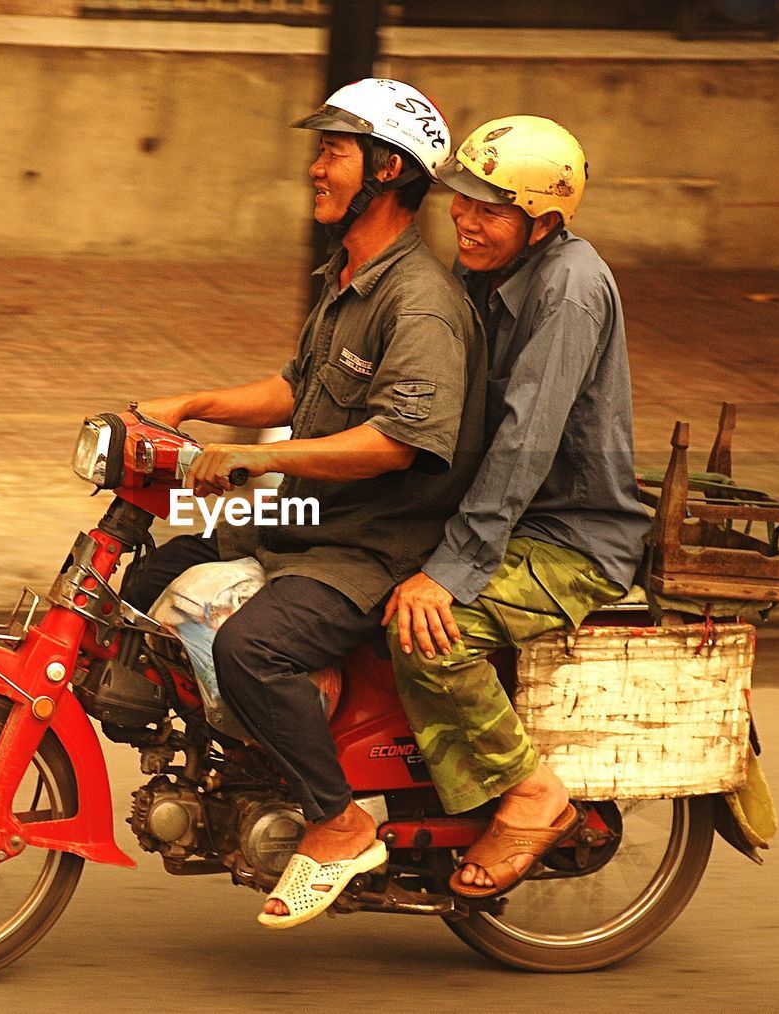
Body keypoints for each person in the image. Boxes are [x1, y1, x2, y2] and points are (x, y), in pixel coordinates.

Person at [121, 79, 487, 928]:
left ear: (386, 170)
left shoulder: (420, 301)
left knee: (253, 646)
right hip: (311, 520)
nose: (315, 168)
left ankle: (337, 820)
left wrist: (256, 461)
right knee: (167, 561)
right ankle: (225, 751)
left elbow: (398, 442)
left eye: (333, 151)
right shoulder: (351, 273)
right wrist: (188, 405)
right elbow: (297, 386)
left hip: (374, 545)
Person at [382, 116, 652, 898]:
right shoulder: (487, 275)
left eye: (490, 210)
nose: (465, 220)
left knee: (432, 630)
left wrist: (452, 570)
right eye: (461, 200)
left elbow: (524, 443)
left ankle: (532, 792)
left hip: (570, 538)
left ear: (544, 223)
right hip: (508, 520)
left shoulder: (569, 288)